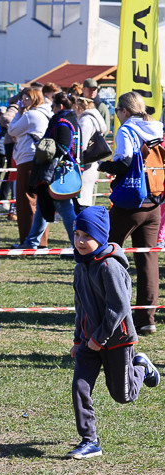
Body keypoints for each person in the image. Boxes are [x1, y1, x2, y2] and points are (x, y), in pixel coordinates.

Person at [68, 206, 160, 460]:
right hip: (89, 341)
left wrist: (100, 338)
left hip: (117, 339)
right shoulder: (80, 267)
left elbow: (119, 307)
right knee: (80, 387)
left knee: (123, 395)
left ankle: (141, 367)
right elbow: (80, 307)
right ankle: (90, 440)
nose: (80, 241)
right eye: (76, 234)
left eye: (87, 236)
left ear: (100, 236)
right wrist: (78, 339)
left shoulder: (109, 266)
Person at [98, 91, 164, 336]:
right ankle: (147, 318)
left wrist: (103, 164)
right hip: (154, 202)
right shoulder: (156, 128)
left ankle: (108, 310)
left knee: (105, 251)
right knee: (148, 260)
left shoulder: (127, 129)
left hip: (130, 201)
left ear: (124, 111)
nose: (117, 115)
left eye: (117, 110)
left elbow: (124, 163)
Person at [17, 92, 80, 249]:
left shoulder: (63, 122)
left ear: (60, 106)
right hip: (60, 171)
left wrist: (44, 147)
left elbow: (63, 146)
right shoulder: (72, 119)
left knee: (65, 208)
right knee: (42, 206)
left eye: (53, 106)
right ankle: (31, 242)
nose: (51, 109)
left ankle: (77, 244)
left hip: (58, 172)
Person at [6, 86, 51, 245]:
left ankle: (28, 240)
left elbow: (12, 130)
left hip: (28, 160)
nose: (24, 101)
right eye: (23, 98)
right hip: (42, 159)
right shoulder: (47, 114)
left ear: (36, 98)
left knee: (26, 201)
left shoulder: (31, 115)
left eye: (28, 98)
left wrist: (19, 112)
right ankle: (41, 241)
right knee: (41, 201)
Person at [74, 96, 107, 207]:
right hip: (93, 163)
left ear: (77, 107)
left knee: (82, 200)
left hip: (86, 164)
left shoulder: (85, 121)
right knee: (87, 197)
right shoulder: (95, 119)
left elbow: (81, 145)